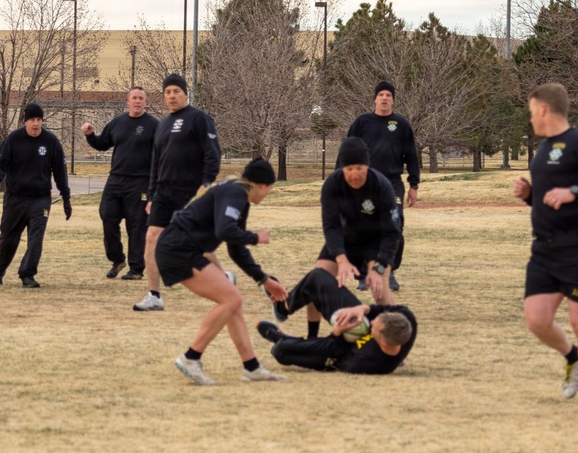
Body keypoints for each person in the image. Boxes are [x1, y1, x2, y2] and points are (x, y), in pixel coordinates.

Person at [512, 82, 578, 417]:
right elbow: (549, 198)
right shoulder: (543, 149)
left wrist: (573, 191)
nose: (531, 118)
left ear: (543, 108)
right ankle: (571, 357)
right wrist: (530, 194)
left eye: (532, 111)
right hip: (544, 249)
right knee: (536, 321)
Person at [160, 158, 287, 385]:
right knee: (231, 299)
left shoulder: (239, 196)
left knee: (233, 302)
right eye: (270, 189)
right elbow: (225, 230)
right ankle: (191, 357)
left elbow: (236, 250)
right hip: (178, 249)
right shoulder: (235, 192)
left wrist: (264, 279)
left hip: (185, 248)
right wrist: (256, 237)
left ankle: (252, 367)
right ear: (262, 185)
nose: (268, 194)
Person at [293, 138, 401, 339]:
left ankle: (393, 343)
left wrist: (379, 267)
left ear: (367, 165)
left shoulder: (381, 186)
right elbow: (331, 227)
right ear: (342, 167)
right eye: (349, 168)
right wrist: (341, 259)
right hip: (345, 240)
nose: (354, 174)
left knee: (380, 289)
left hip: (375, 243)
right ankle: (312, 339)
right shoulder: (332, 185)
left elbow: (392, 233)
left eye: (359, 168)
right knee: (317, 279)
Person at [135, 74, 221, 311]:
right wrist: (152, 195)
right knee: (152, 238)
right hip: (163, 193)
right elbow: (155, 163)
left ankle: (223, 279)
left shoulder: (199, 119)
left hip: (191, 193)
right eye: (168, 92)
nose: (172, 96)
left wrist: (207, 183)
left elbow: (212, 154)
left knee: (196, 245)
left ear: (185, 93)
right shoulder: (162, 125)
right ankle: (154, 295)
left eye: (176, 91)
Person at [257, 268, 416, 374]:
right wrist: (363, 309)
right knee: (318, 277)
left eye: (376, 326)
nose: (374, 322)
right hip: (358, 319)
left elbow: (341, 357)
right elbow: (391, 310)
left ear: (383, 342)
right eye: (378, 320)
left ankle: (281, 337)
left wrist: (339, 332)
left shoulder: (368, 363)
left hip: (339, 348)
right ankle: (282, 307)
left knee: (281, 350)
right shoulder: (406, 320)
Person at [342, 81, 419, 291]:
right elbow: (347, 152)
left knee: (394, 227)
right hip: (364, 184)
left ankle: (389, 271)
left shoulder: (401, 125)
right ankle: (362, 274)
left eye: (388, 95)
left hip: (392, 184)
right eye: (381, 95)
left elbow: (412, 156)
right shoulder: (361, 123)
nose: (385, 98)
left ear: (393, 99)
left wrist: (414, 184)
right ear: (375, 98)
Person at [0, 103, 72, 287]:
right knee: (9, 239)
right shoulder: (13, 139)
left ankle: (27, 274)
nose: (36, 124)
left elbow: (60, 172)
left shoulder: (51, 142)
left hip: (40, 198)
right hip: (15, 198)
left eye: (39, 120)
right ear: (26, 121)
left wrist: (66, 198)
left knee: (36, 238)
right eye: (32, 120)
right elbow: (0, 164)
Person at [81, 87, 158, 280]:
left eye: (141, 98)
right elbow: (102, 143)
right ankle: (117, 259)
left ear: (145, 102)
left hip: (140, 181)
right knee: (107, 216)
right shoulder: (117, 123)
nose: (138, 101)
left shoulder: (153, 125)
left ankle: (136, 269)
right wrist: (90, 135)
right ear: (128, 101)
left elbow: (163, 155)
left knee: (136, 226)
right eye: (134, 98)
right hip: (116, 180)